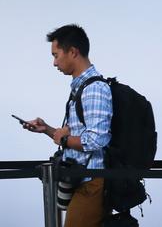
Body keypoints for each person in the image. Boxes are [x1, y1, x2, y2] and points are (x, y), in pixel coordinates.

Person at [23, 24, 112, 227]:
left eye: (56, 55)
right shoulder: (81, 87)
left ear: (73, 52)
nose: (54, 62)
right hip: (80, 179)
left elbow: (97, 140)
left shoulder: (94, 89)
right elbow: (79, 135)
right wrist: (47, 130)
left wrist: (63, 138)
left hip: (91, 181)